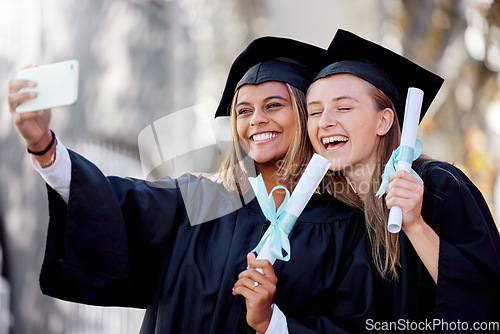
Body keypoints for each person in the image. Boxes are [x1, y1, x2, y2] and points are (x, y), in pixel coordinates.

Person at [8, 36, 376, 333]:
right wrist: (43, 146)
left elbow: (352, 324)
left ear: (302, 113)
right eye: (244, 110)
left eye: (273, 105)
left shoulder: (343, 228)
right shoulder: (204, 199)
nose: (256, 120)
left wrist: (272, 323)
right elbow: (115, 201)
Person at [306, 29, 500, 332]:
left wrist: (415, 225)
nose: (325, 121)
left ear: (384, 121)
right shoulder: (326, 211)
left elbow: (484, 299)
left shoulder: (440, 185)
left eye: (343, 107)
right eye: (314, 111)